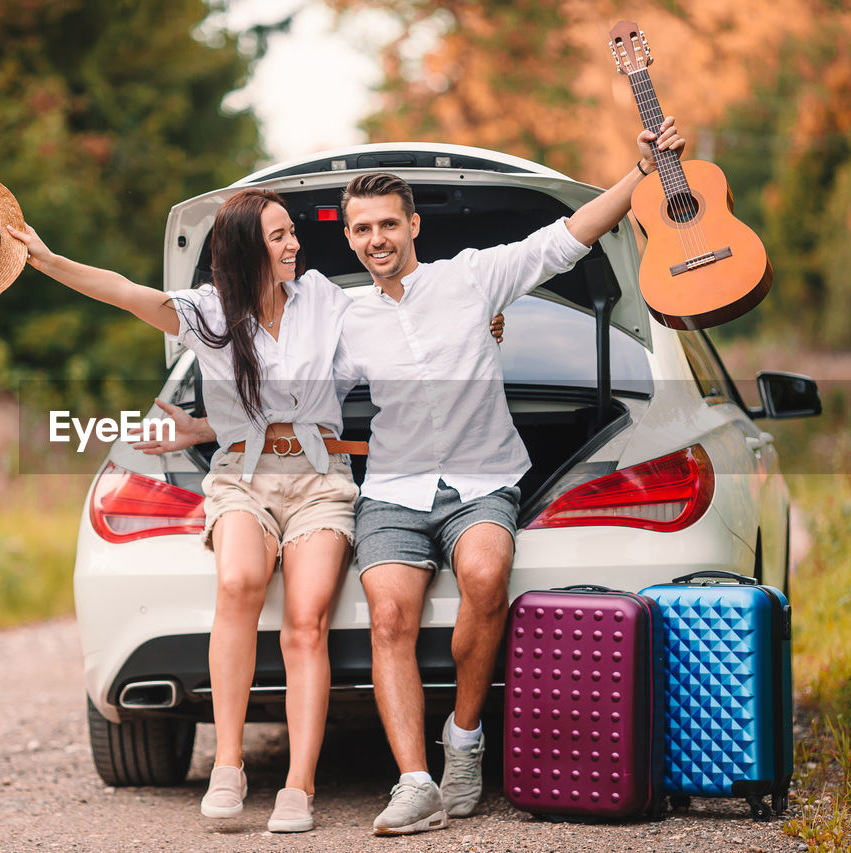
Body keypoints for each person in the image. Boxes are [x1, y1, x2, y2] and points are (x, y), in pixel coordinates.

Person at [141, 117, 685, 836]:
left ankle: (463, 736)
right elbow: (289, 404)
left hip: (484, 478)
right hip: (392, 489)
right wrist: (203, 428)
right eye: (362, 228)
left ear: (413, 225)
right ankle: (414, 781)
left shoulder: (473, 280)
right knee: (389, 613)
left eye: (387, 224)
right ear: (352, 237)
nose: (375, 239)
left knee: (487, 576)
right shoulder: (344, 319)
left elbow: (568, 237)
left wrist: (642, 174)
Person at [7, 189, 359, 833]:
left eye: (291, 233)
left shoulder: (327, 300)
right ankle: (228, 767)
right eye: (279, 236)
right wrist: (49, 261)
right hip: (241, 479)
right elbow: (125, 292)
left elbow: (403, 318)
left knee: (306, 624)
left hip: (320, 479)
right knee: (237, 583)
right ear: (248, 247)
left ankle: (299, 788)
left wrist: (488, 324)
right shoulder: (208, 311)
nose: (295, 245)